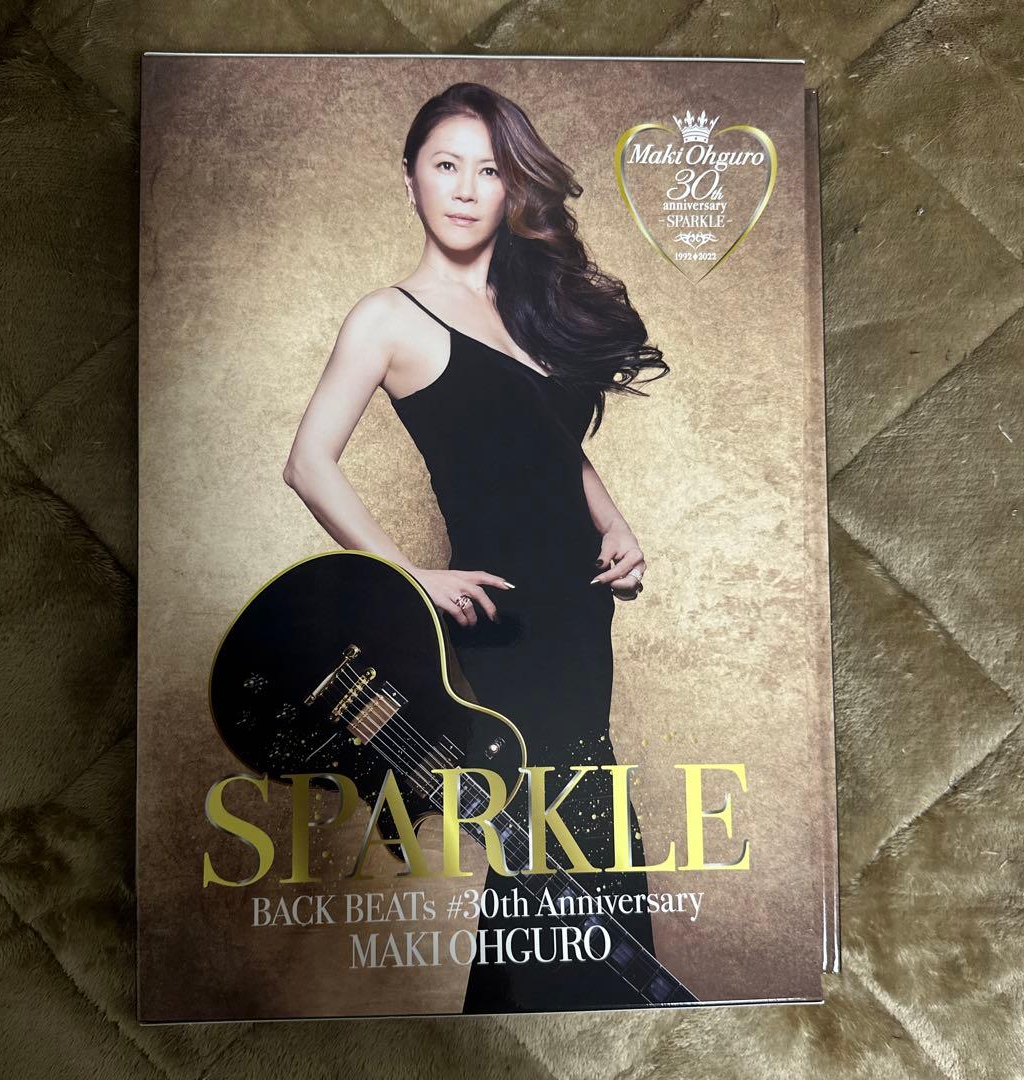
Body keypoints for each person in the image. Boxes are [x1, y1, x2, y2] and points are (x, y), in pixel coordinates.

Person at [283, 82, 677, 1012]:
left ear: (513, 189)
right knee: (558, 834)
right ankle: (590, 1022)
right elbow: (306, 463)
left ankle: (540, 1024)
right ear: (410, 179)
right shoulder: (387, 318)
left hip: (578, 611)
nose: (465, 189)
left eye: (489, 171)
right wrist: (410, 576)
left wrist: (615, 523)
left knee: (563, 836)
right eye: (445, 165)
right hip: (501, 623)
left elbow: (552, 448)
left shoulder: (529, 306)